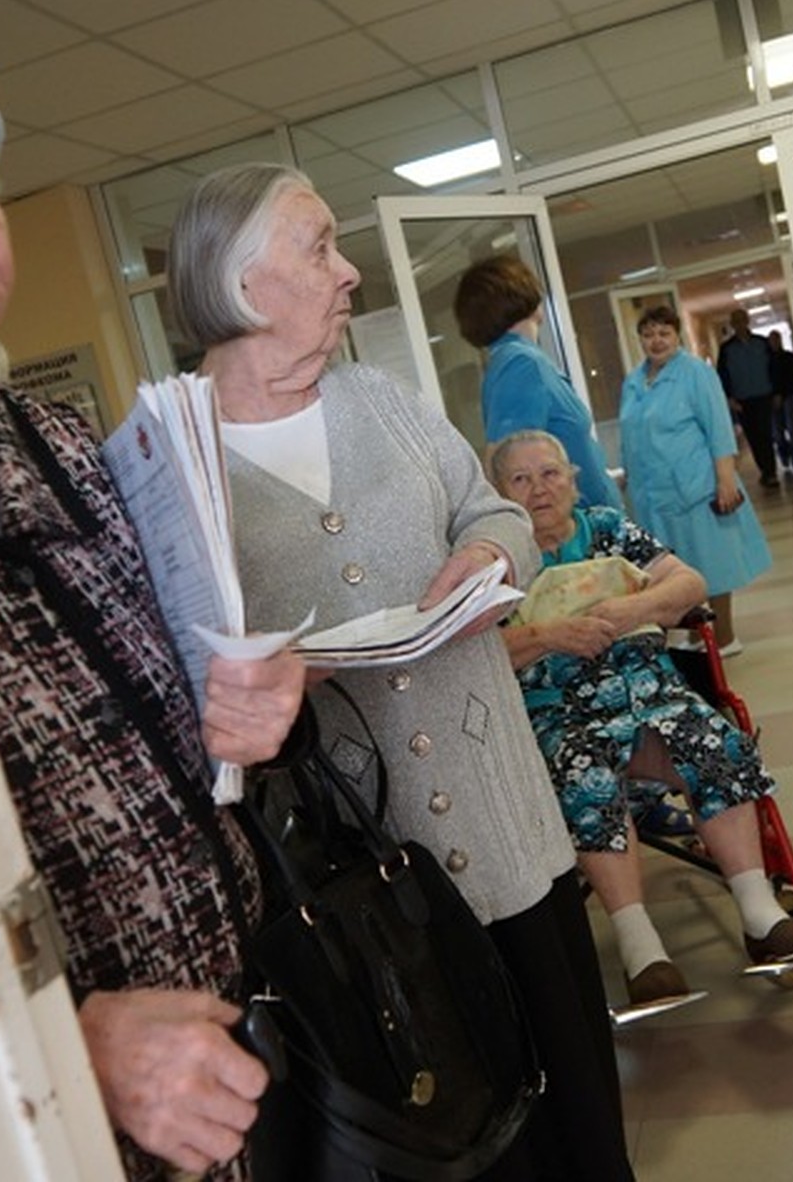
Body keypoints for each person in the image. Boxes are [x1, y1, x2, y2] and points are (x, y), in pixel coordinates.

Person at [167, 164, 636, 1182]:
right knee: (449, 1142)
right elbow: (171, 665)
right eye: (320, 245)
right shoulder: (171, 461)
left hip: (505, 834)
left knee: (580, 1136)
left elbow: (494, 509)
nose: (349, 271)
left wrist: (493, 557)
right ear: (246, 284)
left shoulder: (382, 399)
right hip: (364, 892)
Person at [0, 10, 309, 1182]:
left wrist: (249, 693)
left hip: (226, 1047)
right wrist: (65, 1041)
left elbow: (168, 685)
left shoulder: (59, 443)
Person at [490, 430, 793, 1003]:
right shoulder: (498, 560)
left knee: (714, 743)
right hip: (560, 713)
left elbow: (690, 582)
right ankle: (640, 949)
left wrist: (633, 608)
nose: (539, 490)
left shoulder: (608, 529)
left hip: (652, 696)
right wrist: (549, 635)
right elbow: (478, 652)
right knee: (585, 772)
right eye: (520, 480)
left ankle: (760, 914)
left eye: (549, 474)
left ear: (573, 478)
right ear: (498, 495)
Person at [620, 305, 771, 655]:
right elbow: (631, 434)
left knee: (713, 563)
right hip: (652, 494)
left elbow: (718, 428)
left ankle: (724, 637)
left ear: (678, 336)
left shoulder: (695, 374)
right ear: (640, 338)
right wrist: (627, 474)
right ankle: (692, 636)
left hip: (695, 487)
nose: (656, 341)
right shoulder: (633, 381)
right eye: (648, 334)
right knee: (672, 569)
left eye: (664, 333)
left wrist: (726, 480)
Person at [453, 253, 623, 509]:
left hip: (591, 522)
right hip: (574, 532)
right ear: (523, 297)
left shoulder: (517, 359)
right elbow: (508, 465)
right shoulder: (521, 364)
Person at [717, 307, 779, 487]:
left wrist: (777, 392)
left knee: (766, 434)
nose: (739, 325)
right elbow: (722, 375)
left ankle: (771, 472)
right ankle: (765, 470)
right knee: (753, 437)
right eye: (735, 322)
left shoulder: (762, 343)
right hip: (742, 400)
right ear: (732, 325)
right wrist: (729, 398)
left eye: (742, 320)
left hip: (764, 395)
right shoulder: (727, 349)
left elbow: (773, 369)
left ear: (747, 321)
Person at [768, 329, 793, 474]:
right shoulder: (766, 361)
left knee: (792, 428)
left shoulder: (789, 357)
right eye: (772, 340)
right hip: (772, 399)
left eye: (777, 340)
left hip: (790, 396)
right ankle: (784, 456)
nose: (774, 343)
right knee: (777, 431)